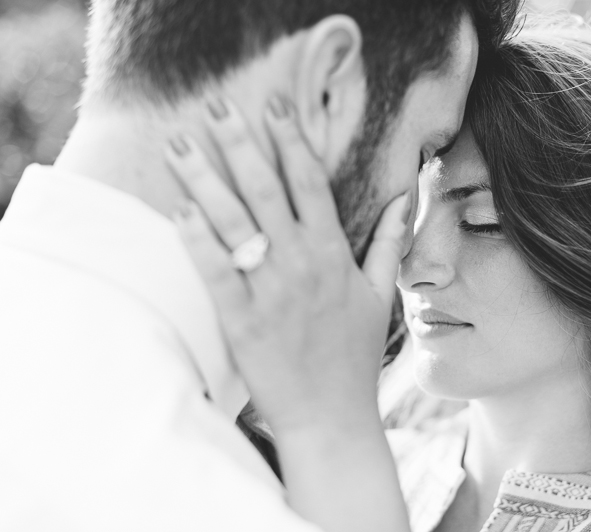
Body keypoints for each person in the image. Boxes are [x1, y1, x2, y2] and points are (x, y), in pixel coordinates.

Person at [171, 16, 591, 532]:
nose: (413, 267)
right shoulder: (339, 468)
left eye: (483, 221)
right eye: (411, 214)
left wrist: (328, 431)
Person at [0, 1, 520, 530]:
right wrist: (338, 435)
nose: (407, 243)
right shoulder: (191, 492)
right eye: (421, 153)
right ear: (327, 83)